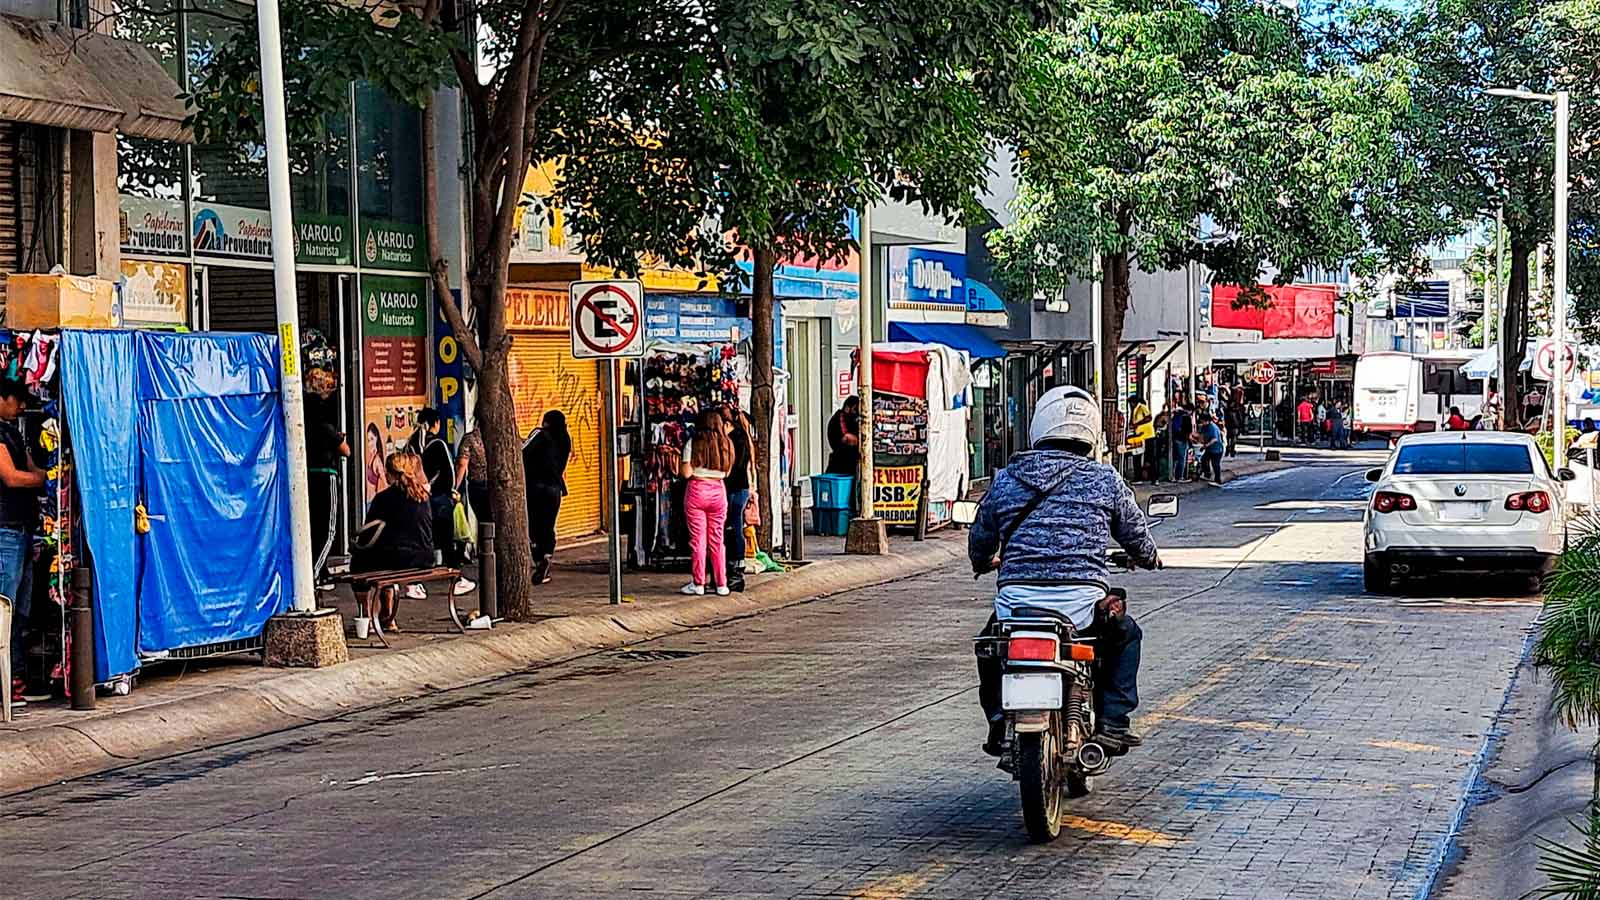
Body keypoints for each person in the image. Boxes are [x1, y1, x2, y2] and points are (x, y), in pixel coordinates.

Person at [968, 385, 1160, 756]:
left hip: (1017, 605)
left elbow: (980, 538)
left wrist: (982, 562)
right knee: (1125, 636)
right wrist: (1148, 557)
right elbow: (1135, 533)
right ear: (1091, 432)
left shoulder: (1006, 479)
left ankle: (996, 721)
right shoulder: (1105, 480)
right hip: (1081, 605)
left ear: (1040, 426)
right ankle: (1113, 725)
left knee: (989, 648)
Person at [352, 452, 434, 632]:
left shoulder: (384, 498)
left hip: (400, 558)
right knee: (386, 559)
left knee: (359, 562)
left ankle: (368, 616)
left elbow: (368, 534)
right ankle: (388, 618)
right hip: (425, 557)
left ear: (391, 473)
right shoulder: (423, 495)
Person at [0, 379, 42, 710]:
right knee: (6, 608)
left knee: (22, 609)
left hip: (23, 530)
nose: (22, 407)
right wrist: (44, 479)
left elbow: (28, 466)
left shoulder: (14, 432)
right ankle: (6, 681)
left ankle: (15, 677)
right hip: (6, 531)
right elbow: (12, 477)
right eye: (17, 401)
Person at [412, 409, 475, 597]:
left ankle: (413, 582)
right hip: (439, 499)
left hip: (418, 499)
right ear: (436, 423)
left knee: (423, 540)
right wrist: (452, 491)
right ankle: (456, 579)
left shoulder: (413, 444)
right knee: (447, 542)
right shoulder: (438, 444)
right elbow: (450, 473)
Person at [680, 408, 734, 596]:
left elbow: (686, 473)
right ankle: (721, 584)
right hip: (718, 492)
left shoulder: (693, 443)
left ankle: (698, 583)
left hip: (697, 490)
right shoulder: (727, 444)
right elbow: (727, 473)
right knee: (717, 539)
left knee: (698, 540)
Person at [303, 368, 349, 581]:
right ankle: (313, 574)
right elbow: (345, 450)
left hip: (308, 473)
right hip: (326, 471)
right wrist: (338, 438)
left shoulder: (302, 412)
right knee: (328, 530)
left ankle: (317, 570)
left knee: (312, 525)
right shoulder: (323, 417)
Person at [523, 410, 572, 586]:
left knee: (534, 525)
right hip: (555, 488)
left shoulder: (539, 435)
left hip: (535, 486)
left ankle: (538, 559)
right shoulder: (565, 439)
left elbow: (522, 452)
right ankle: (547, 555)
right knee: (548, 525)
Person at [722, 405, 757, 591]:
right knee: (735, 526)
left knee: (732, 527)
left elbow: (732, 467)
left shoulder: (733, 439)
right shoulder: (743, 437)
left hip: (733, 488)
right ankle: (736, 567)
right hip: (741, 487)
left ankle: (734, 568)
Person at [455, 426, 490, 526]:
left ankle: (485, 541)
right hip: (496, 485)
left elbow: (462, 464)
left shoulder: (470, 439)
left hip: (477, 485)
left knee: (483, 522)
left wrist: (455, 487)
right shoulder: (497, 437)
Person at [825, 395, 862, 477]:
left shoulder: (852, 420)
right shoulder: (840, 418)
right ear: (847, 408)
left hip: (849, 462)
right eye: (855, 409)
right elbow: (847, 438)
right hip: (841, 464)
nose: (857, 413)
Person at [1169, 395, 1193, 482]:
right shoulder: (1186, 417)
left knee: (1175, 458)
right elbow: (1188, 431)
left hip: (1175, 438)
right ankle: (1180, 476)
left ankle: (1173, 476)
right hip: (1182, 439)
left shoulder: (1177, 414)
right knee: (1182, 458)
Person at [1197, 412, 1225, 484]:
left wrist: (1206, 445)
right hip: (1209, 449)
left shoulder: (1213, 427)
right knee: (1204, 460)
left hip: (1217, 449)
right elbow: (1202, 435)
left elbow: (1214, 439)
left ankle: (1218, 479)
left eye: (1203, 421)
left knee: (1215, 464)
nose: (1202, 422)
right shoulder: (1204, 427)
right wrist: (1200, 442)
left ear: (1207, 420)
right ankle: (1207, 474)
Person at [1224, 389, 1246, 458]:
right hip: (1232, 425)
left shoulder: (1231, 409)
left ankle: (1230, 450)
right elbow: (1240, 418)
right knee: (1231, 438)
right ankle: (1230, 450)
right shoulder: (1234, 410)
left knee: (1231, 438)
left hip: (1232, 425)